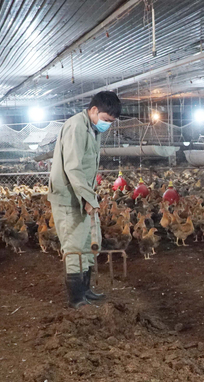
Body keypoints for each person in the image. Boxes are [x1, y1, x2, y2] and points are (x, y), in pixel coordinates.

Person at [48, 91, 121, 308]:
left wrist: (91, 196)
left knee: (90, 243)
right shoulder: (76, 127)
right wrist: (89, 198)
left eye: (111, 122)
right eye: (106, 120)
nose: (107, 125)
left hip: (83, 195)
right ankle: (76, 298)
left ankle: (86, 290)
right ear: (94, 110)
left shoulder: (91, 128)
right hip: (69, 198)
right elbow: (73, 167)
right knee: (74, 247)